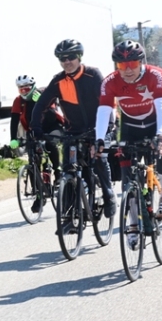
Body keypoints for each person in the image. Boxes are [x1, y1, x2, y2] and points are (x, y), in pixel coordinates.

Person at [35, 38, 113, 216]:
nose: (67, 62)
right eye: (62, 59)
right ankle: (69, 214)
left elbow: (106, 103)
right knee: (68, 168)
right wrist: (36, 127)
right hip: (73, 130)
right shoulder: (58, 81)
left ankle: (109, 196)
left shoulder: (93, 74)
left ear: (79, 57)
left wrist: (106, 128)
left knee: (99, 159)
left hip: (98, 128)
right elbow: (41, 105)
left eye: (71, 57)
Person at [99, 40, 162, 219]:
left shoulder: (156, 75)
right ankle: (133, 222)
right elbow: (104, 110)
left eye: (132, 64)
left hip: (158, 122)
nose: (127, 70)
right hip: (131, 126)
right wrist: (100, 139)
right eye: (122, 65)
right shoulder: (110, 81)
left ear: (141, 62)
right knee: (127, 172)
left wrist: (161, 135)